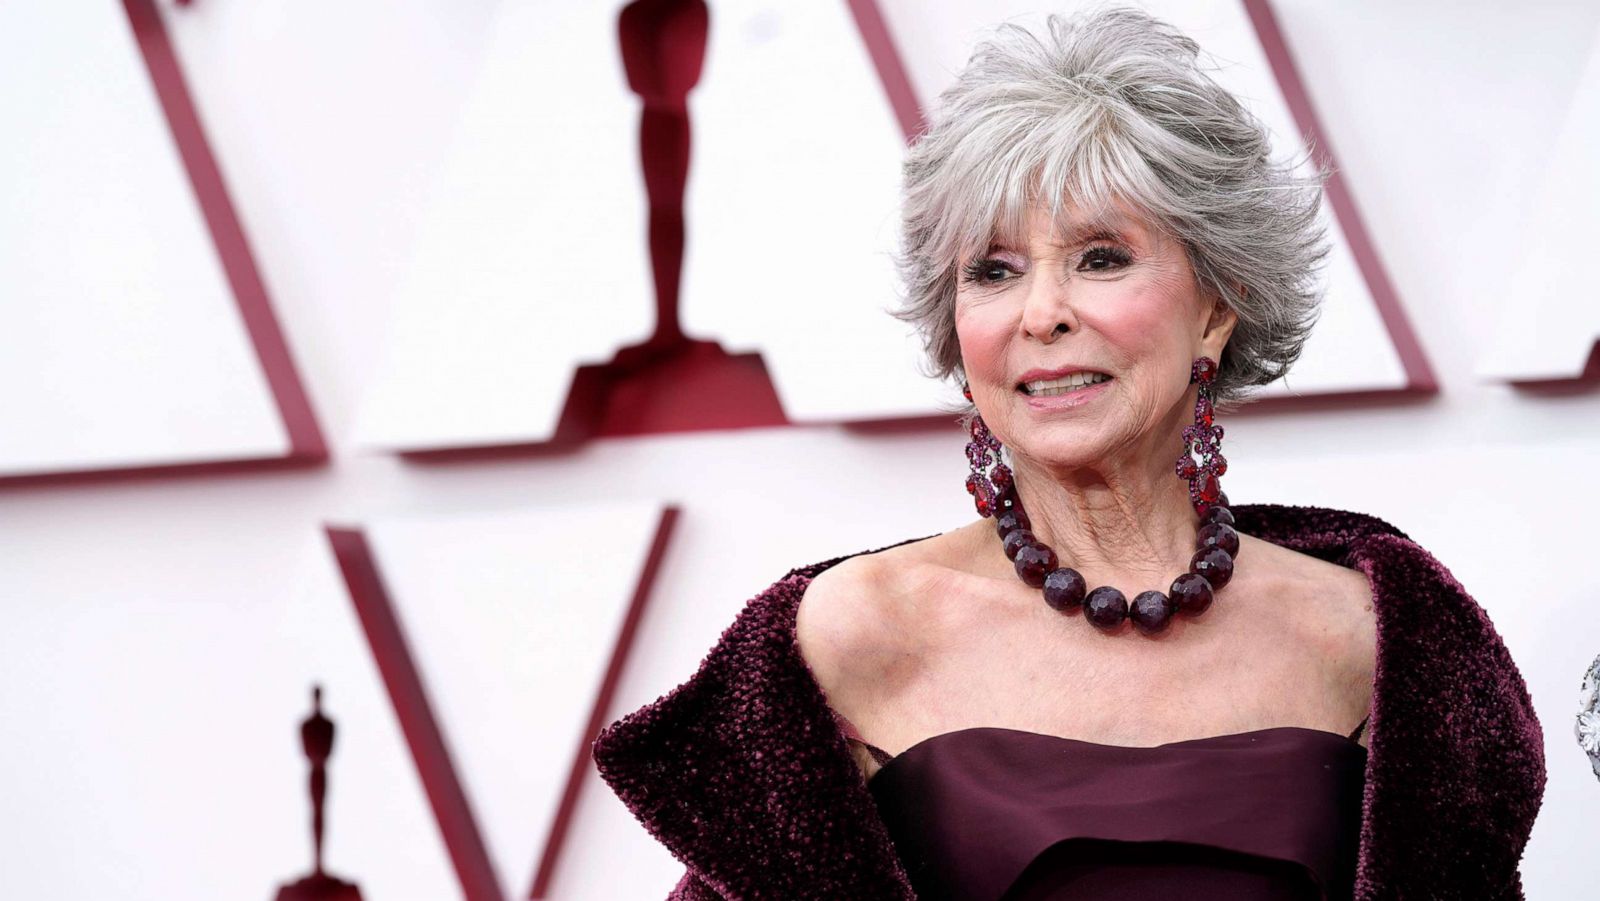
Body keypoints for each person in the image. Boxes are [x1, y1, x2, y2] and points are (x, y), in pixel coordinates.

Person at [593, 7, 1545, 899]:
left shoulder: (1373, 639)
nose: (1042, 313)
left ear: (1216, 307)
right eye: (994, 271)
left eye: (1100, 257)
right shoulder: (850, 636)